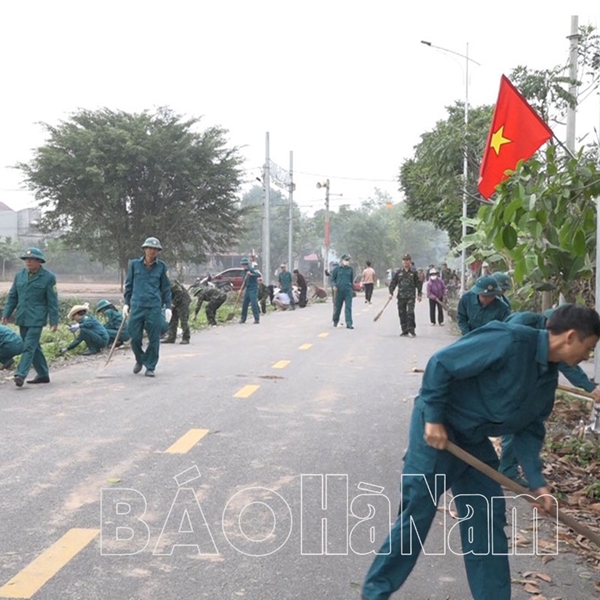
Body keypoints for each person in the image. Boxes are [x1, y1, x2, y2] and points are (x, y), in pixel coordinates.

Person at [361, 304, 600, 600]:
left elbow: (528, 430)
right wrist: (434, 418)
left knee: (486, 519)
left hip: (472, 441)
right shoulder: (508, 339)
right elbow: (441, 363)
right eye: (589, 348)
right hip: (438, 432)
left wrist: (537, 483)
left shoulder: (546, 380)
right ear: (571, 337)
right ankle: (375, 593)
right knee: (417, 514)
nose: (588, 357)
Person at [499, 308, 600, 484]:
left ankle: (510, 468)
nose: (586, 356)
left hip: (524, 387)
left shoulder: (552, 354)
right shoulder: (521, 330)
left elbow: (567, 363)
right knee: (513, 422)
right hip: (508, 383)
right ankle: (507, 470)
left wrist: (589, 387)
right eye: (588, 349)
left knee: (524, 424)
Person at [1, 247, 59, 387]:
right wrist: (6, 314)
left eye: (32, 259)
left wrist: (54, 320)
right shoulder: (19, 276)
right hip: (22, 317)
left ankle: (20, 374)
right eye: (26, 259)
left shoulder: (48, 277)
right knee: (34, 347)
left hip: (37, 318)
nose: (28, 262)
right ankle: (43, 374)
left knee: (28, 346)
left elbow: (52, 300)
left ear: (39, 261)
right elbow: (13, 296)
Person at [123, 237, 172, 377]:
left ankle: (150, 366)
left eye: (155, 249)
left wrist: (168, 306)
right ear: (144, 249)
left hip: (154, 306)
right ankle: (140, 358)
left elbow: (166, 288)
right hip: (137, 305)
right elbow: (129, 285)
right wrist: (126, 303)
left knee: (154, 338)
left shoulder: (162, 267)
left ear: (158, 252)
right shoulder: (134, 265)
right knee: (134, 336)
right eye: (149, 248)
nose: (152, 251)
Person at [388, 253, 422, 337]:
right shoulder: (399, 272)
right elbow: (393, 283)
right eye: (404, 260)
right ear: (402, 262)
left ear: (410, 261)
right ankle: (404, 330)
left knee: (410, 312)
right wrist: (390, 292)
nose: (405, 262)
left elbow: (418, 283)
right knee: (401, 313)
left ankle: (411, 329)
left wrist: (419, 294)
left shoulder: (414, 272)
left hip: (411, 296)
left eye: (407, 260)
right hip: (401, 296)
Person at [162, 279, 191, 344]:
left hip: (183, 300)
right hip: (173, 299)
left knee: (183, 319)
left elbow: (179, 292)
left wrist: (174, 303)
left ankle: (186, 338)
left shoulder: (169, 282)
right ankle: (171, 338)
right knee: (172, 319)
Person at [331, 253, 354, 329]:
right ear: (342, 260)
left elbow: (351, 280)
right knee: (337, 307)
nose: (347, 261)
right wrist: (334, 285)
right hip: (339, 290)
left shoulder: (350, 269)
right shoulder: (337, 269)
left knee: (348, 307)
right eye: (346, 260)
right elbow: (332, 279)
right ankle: (335, 321)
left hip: (348, 291)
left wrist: (352, 290)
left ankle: (349, 323)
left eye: (348, 260)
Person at [239, 257, 261, 324]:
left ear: (247, 264)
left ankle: (257, 319)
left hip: (253, 288)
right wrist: (241, 289)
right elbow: (244, 282)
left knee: (253, 303)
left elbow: (258, 275)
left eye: (245, 264)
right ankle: (243, 319)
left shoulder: (252, 269)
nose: (243, 266)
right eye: (243, 265)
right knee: (245, 304)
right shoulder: (243, 272)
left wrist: (251, 274)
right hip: (248, 289)